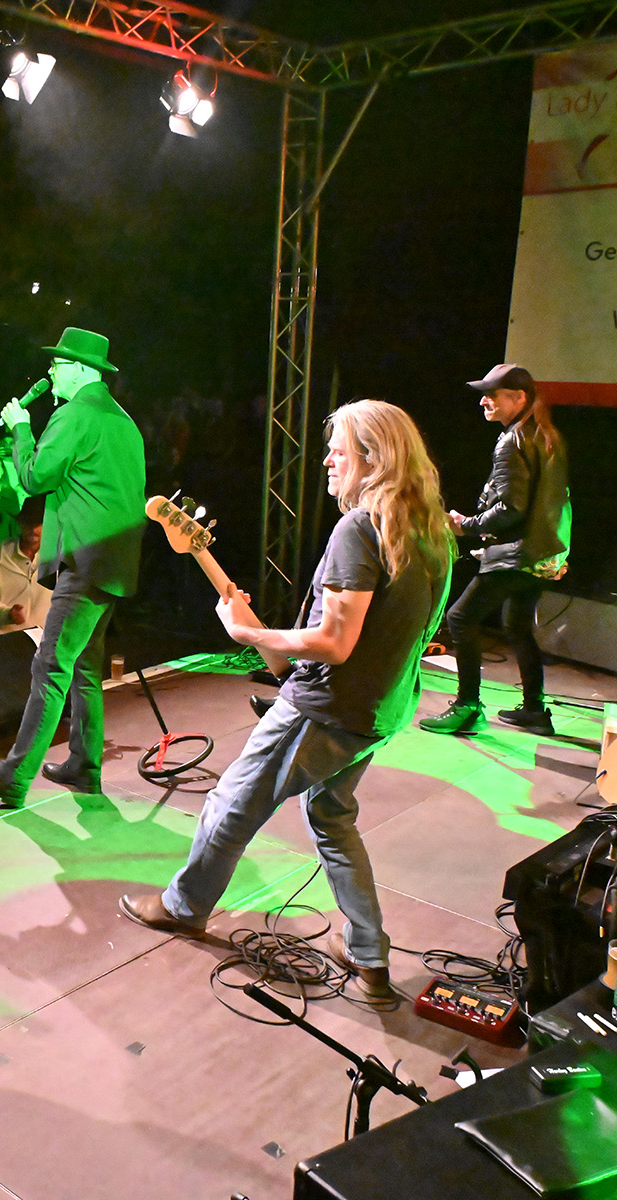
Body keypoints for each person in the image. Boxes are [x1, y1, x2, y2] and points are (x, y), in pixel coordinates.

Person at [119, 400, 454, 1008]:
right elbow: (375, 639)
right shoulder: (428, 533)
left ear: (374, 459)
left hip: (325, 711)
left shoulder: (359, 529)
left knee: (229, 804)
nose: (327, 460)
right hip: (379, 710)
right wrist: (269, 640)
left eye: (339, 450)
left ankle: (183, 906)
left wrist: (246, 633)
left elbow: (336, 642)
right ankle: (368, 952)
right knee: (331, 816)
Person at [0, 328, 145, 806]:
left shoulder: (74, 413)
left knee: (51, 665)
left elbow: (35, 477)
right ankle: (84, 765)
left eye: (58, 364)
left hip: (85, 561)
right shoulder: (124, 421)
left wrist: (21, 427)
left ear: (81, 370)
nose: (50, 371)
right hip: (114, 563)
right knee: (84, 667)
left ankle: (13, 776)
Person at [421, 364, 570, 737]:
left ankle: (468, 707)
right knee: (517, 625)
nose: (483, 401)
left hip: (518, 554)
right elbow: (551, 504)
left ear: (518, 398)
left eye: (492, 395)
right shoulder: (546, 435)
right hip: (541, 553)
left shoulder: (512, 441)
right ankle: (534, 709)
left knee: (460, 619)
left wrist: (467, 525)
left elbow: (511, 507)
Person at [0, 496, 51, 636]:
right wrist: (7, 614)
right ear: (20, 523)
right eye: (28, 523)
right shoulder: (1, 555)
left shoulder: (58, 556)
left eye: (38, 523)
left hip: (46, 641)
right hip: (7, 640)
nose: (33, 528)